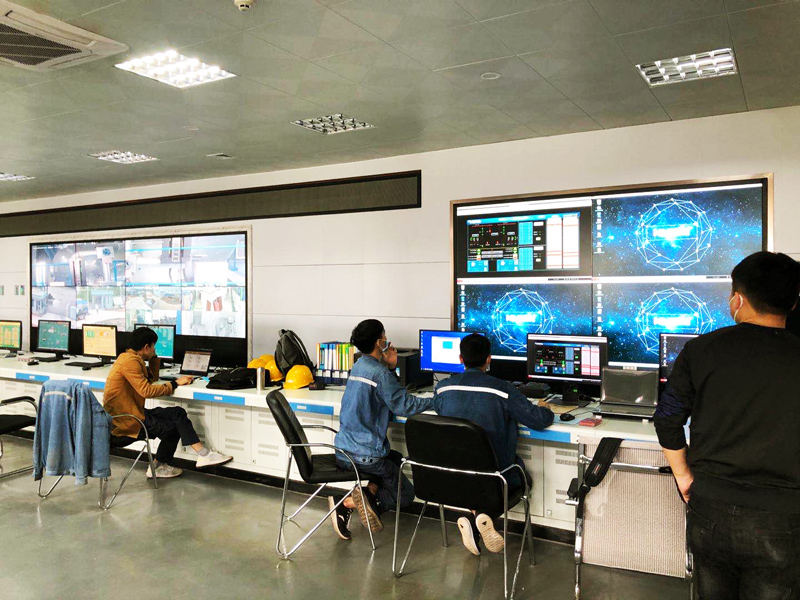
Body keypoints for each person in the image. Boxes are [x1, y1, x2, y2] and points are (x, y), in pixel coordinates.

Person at [654, 251, 800, 600]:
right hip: (783, 516)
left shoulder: (701, 350)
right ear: (793, 303)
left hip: (710, 507)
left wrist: (683, 476)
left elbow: (667, 418)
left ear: (738, 299)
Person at [431, 333, 554, 556]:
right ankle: (481, 516)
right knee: (524, 479)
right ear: (489, 359)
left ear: (460, 359)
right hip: (496, 475)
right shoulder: (502, 389)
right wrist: (546, 408)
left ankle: (476, 518)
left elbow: (443, 412)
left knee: (476, 479)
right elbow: (538, 420)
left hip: (454, 476)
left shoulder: (442, 389)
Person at [329, 319, 435, 541]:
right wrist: (436, 400)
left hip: (344, 451)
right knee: (406, 494)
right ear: (379, 343)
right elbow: (404, 406)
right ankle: (348, 503)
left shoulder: (359, 365)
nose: (388, 341)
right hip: (365, 456)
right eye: (385, 337)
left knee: (393, 457)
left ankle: (366, 495)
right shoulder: (379, 373)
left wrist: (390, 368)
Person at [103, 327, 233, 478]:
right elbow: (147, 391)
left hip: (129, 415)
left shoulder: (128, 358)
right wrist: (175, 383)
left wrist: (153, 358)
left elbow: (151, 380)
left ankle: (173, 462)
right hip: (128, 421)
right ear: (146, 347)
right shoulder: (130, 362)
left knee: (177, 414)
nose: (154, 349)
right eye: (153, 346)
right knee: (174, 425)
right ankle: (198, 455)